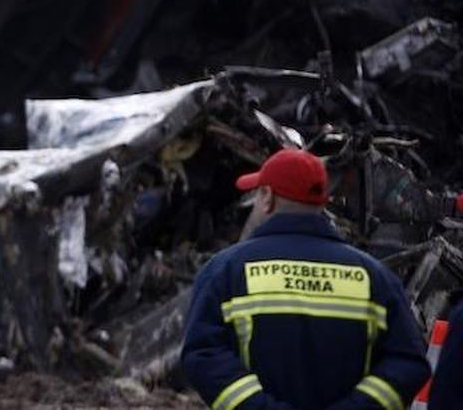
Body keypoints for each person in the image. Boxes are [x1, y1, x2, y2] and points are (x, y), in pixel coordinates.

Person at [182, 149, 429, 410]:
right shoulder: (375, 277)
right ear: (321, 203)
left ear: (267, 198)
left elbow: (203, 355)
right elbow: (408, 363)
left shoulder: (225, 271)